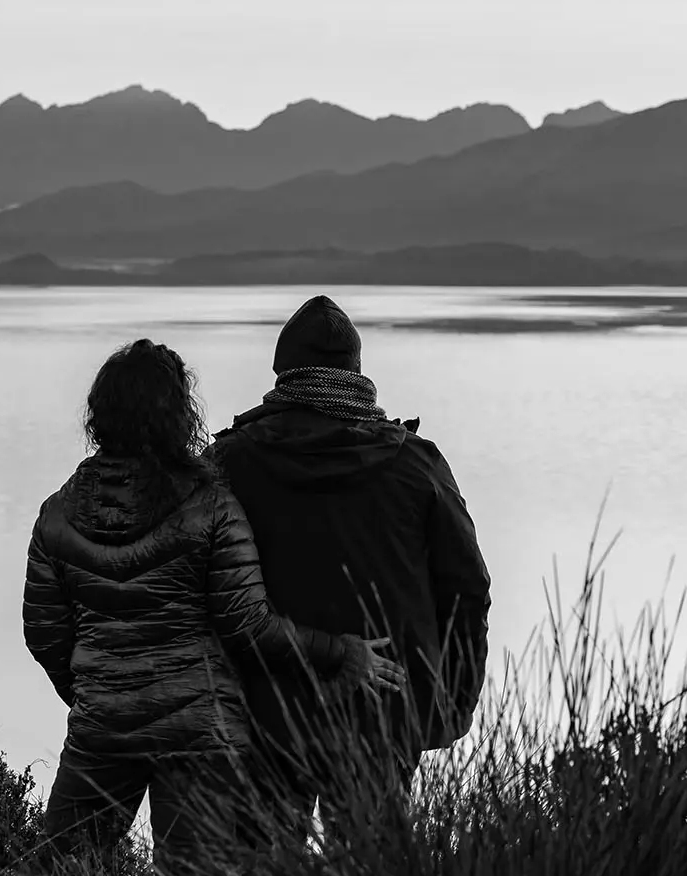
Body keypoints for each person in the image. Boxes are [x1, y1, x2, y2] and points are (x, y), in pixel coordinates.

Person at [23, 338, 404, 869]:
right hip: (200, 736)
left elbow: (44, 632)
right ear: (178, 415)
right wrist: (341, 652)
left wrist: (102, 691)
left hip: (103, 728)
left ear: (100, 415)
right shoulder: (212, 506)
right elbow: (247, 625)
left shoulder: (56, 514)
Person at [207, 295, 492, 838]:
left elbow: (198, 584)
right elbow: (467, 589)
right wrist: (449, 701)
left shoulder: (230, 462)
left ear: (281, 372)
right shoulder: (416, 464)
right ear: (357, 372)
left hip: (265, 713)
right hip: (385, 713)